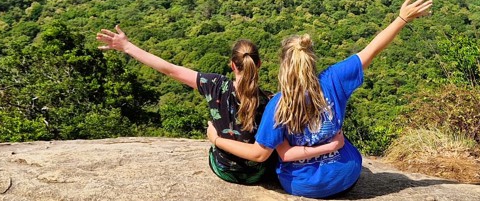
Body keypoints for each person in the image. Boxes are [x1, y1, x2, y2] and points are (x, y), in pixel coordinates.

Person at [209, 0, 434, 198]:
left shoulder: (277, 105)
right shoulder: (333, 80)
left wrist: (217, 140)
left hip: (303, 185)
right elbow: (372, 50)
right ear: (311, 59)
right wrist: (402, 19)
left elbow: (258, 154)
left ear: (284, 66)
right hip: (345, 176)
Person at [95, 26, 344, 184]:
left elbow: (168, 69)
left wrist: (127, 46)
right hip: (257, 174)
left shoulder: (214, 86)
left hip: (224, 169)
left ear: (231, 65)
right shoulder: (272, 101)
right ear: (258, 65)